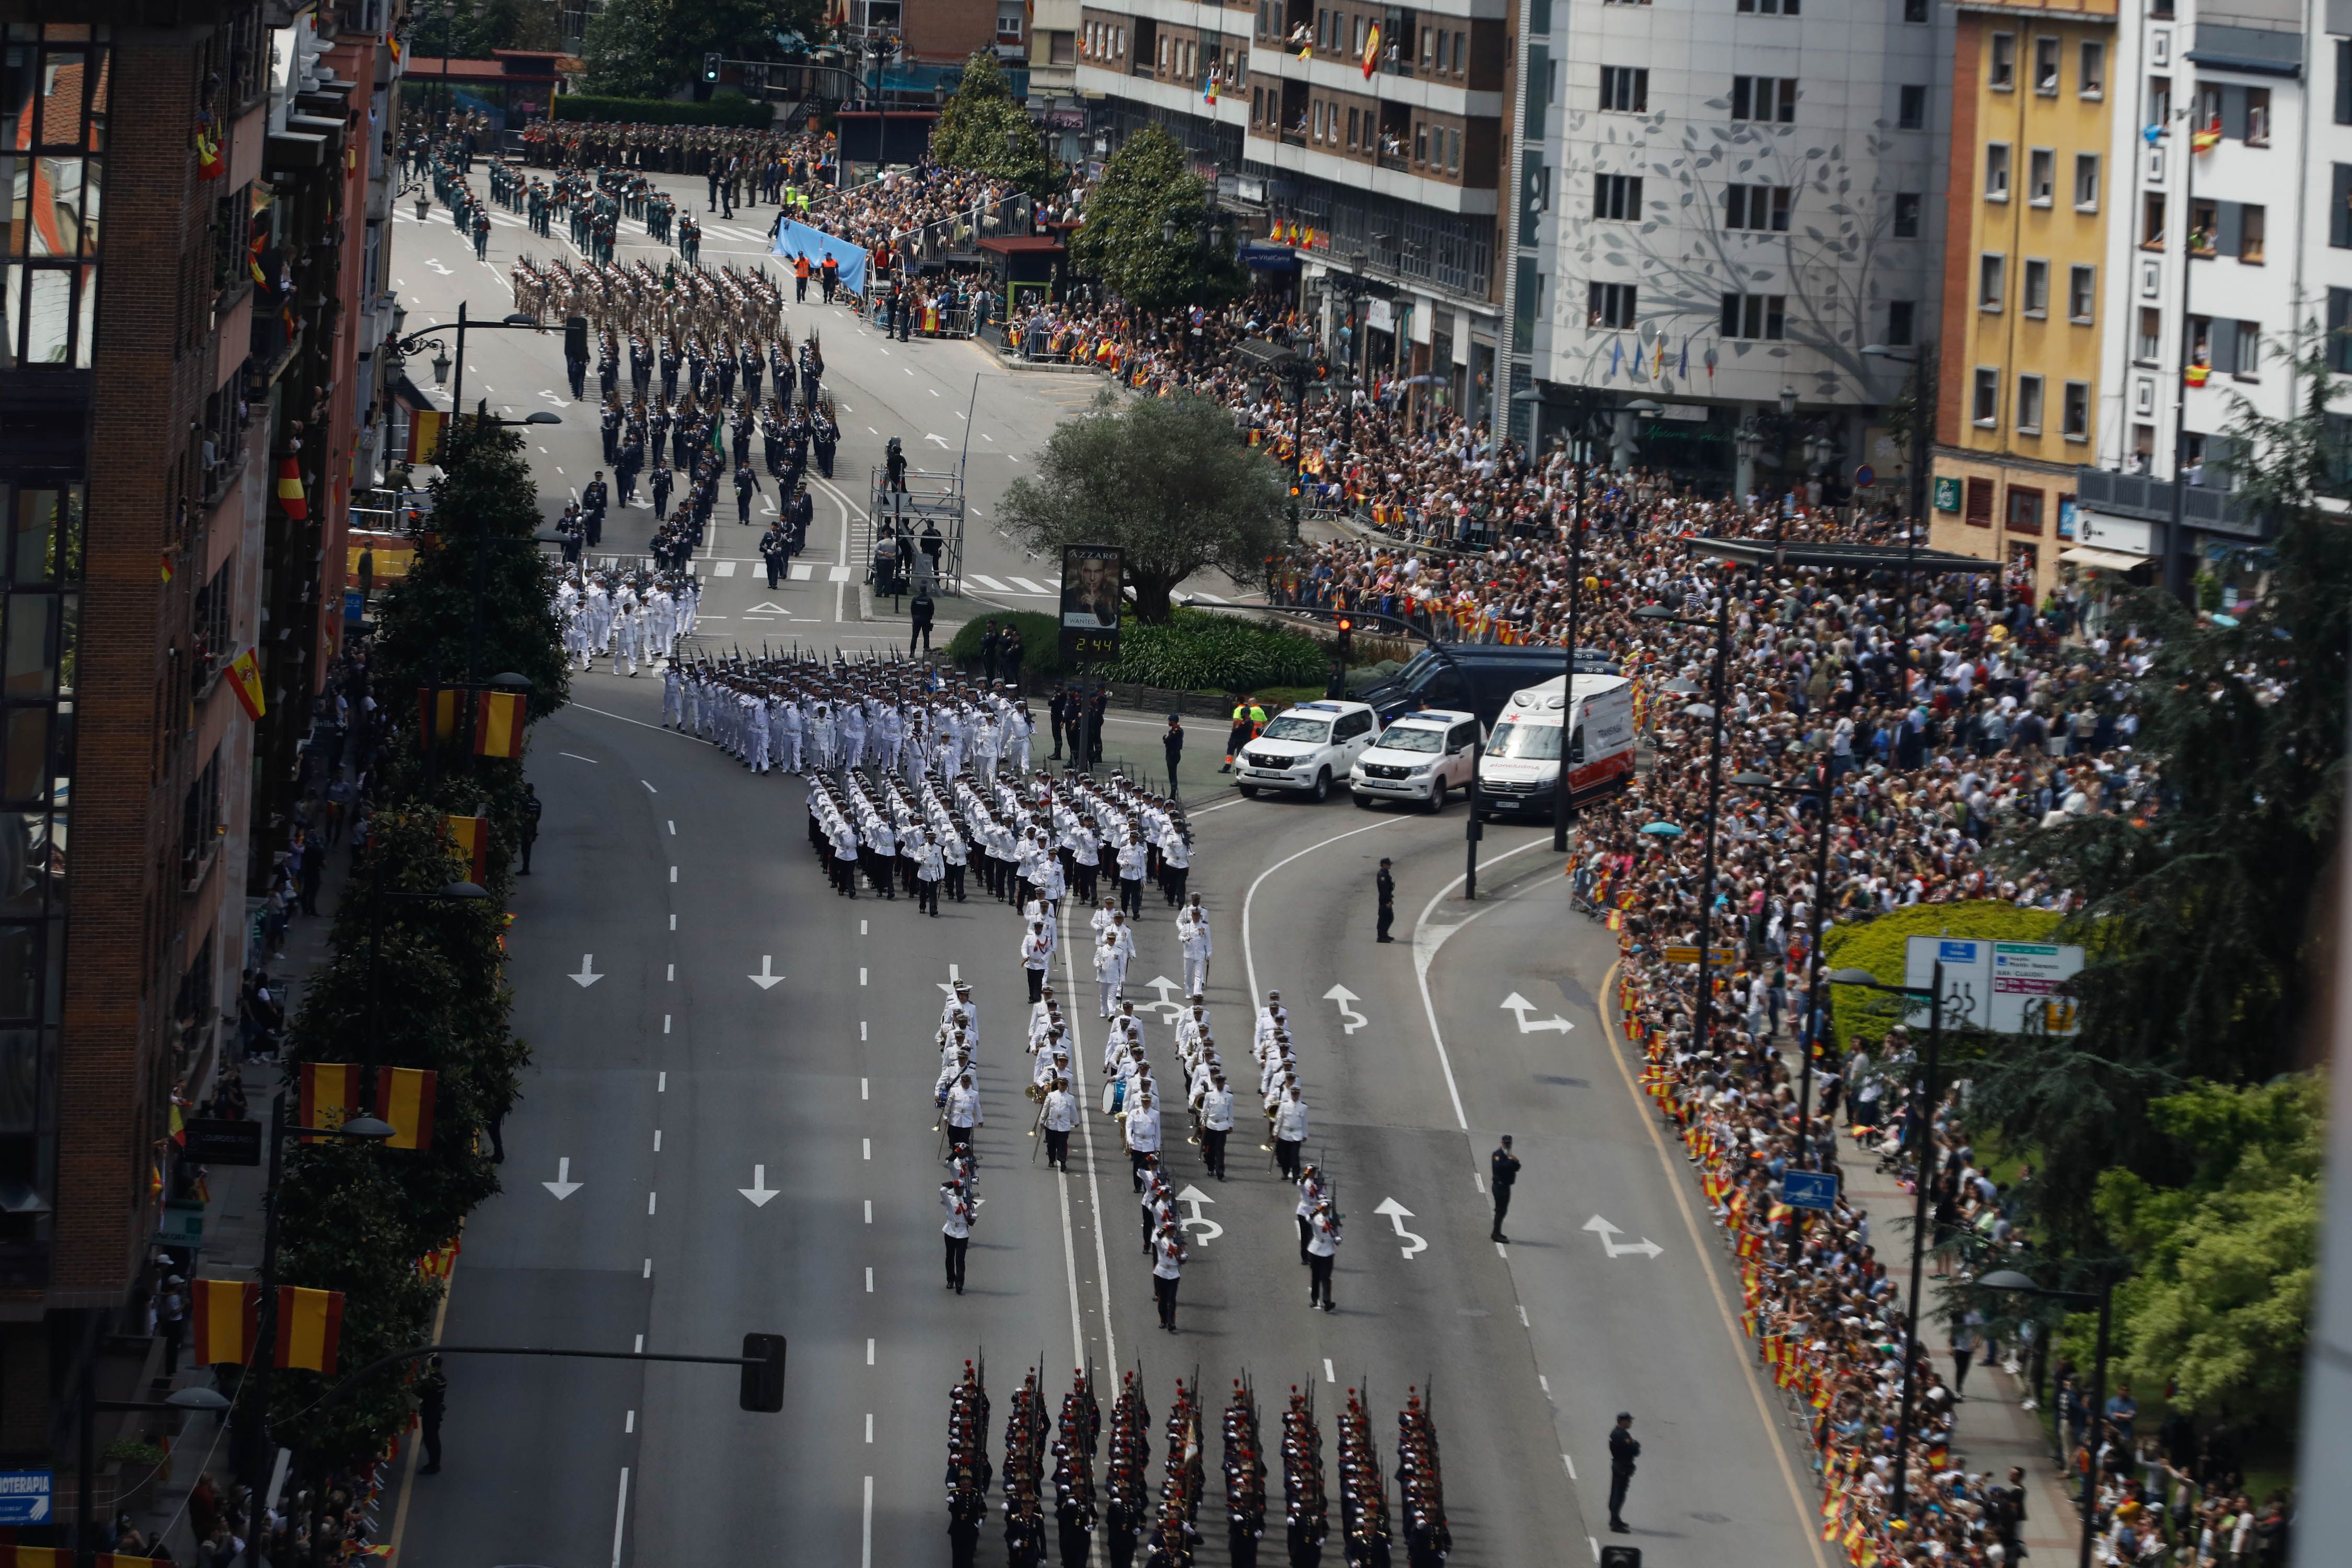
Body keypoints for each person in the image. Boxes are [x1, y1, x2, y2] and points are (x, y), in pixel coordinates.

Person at [1150, 1219, 1184, 1333]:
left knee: (1172, 1300)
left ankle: (1171, 1323)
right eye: (1169, 1230)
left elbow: (1184, 1257)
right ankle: (1163, 1319)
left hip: (1174, 1273)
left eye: (1172, 1230)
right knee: (1162, 1299)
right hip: (1161, 1272)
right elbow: (1156, 1240)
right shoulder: (1162, 1241)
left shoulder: (1178, 1243)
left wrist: (1181, 1255)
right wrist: (1163, 1229)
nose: (1171, 1232)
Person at [1607, 1413, 1638, 1533]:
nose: (1630, 1423)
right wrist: (1635, 1445)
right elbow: (1634, 1450)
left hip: (1619, 1465)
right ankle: (1615, 1523)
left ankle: (1615, 1519)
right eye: (1629, 1421)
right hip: (1622, 1467)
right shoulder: (1621, 1435)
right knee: (1618, 1495)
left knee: (1617, 1493)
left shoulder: (1617, 1432)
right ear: (1623, 1422)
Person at [1306, 1200, 1340, 1310]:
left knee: (1326, 1277)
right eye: (1325, 1208)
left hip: (1328, 1251)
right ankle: (1314, 1299)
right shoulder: (1316, 1218)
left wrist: (1339, 1239)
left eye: (1328, 1208)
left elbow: (1339, 1233)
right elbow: (1308, 1218)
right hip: (1316, 1249)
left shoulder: (1334, 1220)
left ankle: (1327, 1302)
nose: (1326, 1210)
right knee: (1315, 1276)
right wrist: (1318, 1209)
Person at [941, 1175, 973, 1294]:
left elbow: (972, 1216)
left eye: (960, 1188)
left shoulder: (968, 1202)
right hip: (950, 1231)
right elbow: (942, 1191)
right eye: (957, 1188)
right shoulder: (950, 1200)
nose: (959, 1190)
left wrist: (973, 1219)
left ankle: (960, 1283)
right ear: (954, 1190)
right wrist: (952, 1183)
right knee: (950, 1257)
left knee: (960, 1259)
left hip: (963, 1234)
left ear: (963, 1189)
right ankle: (950, 1280)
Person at [417, 1355, 447, 1473]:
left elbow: (421, 1393)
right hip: (437, 1411)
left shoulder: (431, 1381)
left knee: (430, 1439)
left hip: (430, 1412)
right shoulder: (443, 1380)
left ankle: (433, 1465)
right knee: (434, 1438)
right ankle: (435, 1463)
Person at [1489, 1134, 1520, 1242]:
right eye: (1505, 1143)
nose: (1507, 1145)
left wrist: (1514, 1161)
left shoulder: (1509, 1156)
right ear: (1502, 1143)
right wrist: (1512, 1161)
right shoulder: (1498, 1154)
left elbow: (1517, 1168)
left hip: (1506, 1186)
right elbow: (1500, 1168)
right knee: (1500, 1210)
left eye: (1509, 1143)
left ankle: (1497, 1232)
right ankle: (1496, 1234)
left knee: (1502, 1211)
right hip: (1499, 1186)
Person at [518, 782, 541, 875]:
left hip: (525, 828)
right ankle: (526, 867)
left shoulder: (524, 801)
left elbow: (520, 814)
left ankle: (525, 868)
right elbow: (538, 817)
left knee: (524, 848)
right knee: (528, 848)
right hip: (533, 828)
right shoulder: (537, 802)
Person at [910, 584, 936, 656]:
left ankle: (912, 652)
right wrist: (930, 617)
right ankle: (926, 650)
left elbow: (912, 609)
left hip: (917, 619)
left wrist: (914, 617)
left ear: (920, 590)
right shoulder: (929, 599)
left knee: (915, 636)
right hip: (926, 619)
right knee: (926, 636)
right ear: (926, 590)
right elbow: (932, 610)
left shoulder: (915, 598)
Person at [1162, 713, 1184, 798]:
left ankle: (1173, 796)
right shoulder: (1178, 730)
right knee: (1172, 775)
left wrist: (1166, 737)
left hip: (1172, 755)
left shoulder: (1176, 730)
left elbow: (1167, 740)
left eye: (1169, 720)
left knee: (1172, 776)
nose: (1168, 722)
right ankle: (1172, 795)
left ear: (1173, 721)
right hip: (1174, 754)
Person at [1376, 857, 1396, 943]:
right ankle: (1381, 937)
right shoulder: (1382, 875)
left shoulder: (1386, 873)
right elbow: (1384, 890)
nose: (1390, 865)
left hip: (1387, 898)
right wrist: (1388, 901)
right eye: (1388, 864)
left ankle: (1385, 934)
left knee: (1389, 918)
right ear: (1384, 865)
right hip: (1384, 899)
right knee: (1384, 918)